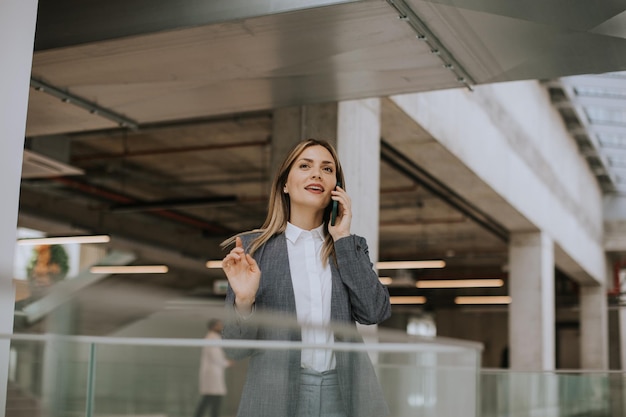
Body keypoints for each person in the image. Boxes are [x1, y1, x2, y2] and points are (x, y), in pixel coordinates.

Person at [221, 138, 392, 417]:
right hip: (276, 394)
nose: (317, 174)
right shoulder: (254, 250)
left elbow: (375, 312)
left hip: (343, 393)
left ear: (336, 188)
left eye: (327, 169)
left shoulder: (350, 246)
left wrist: (342, 239)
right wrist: (244, 300)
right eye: (305, 166)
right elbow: (234, 350)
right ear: (285, 185)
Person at [194, 319, 232, 417]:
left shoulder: (213, 338)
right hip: (212, 373)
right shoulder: (212, 338)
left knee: (210, 398)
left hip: (213, 372)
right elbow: (215, 356)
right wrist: (227, 363)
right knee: (213, 398)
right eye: (219, 325)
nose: (222, 327)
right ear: (214, 326)